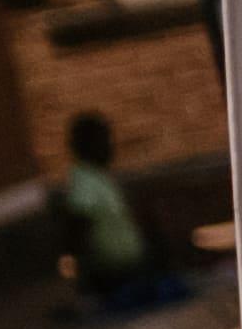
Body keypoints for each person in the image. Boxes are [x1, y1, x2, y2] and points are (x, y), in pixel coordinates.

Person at [48, 109, 195, 315]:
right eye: (103, 140)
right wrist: (84, 282)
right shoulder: (84, 183)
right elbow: (77, 232)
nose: (110, 146)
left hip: (132, 267)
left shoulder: (99, 178)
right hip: (114, 275)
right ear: (85, 145)